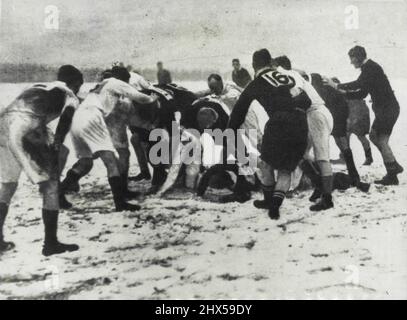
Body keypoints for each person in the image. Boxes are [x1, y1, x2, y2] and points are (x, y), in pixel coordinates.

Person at [0, 65, 83, 256]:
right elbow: (65, 120)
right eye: (78, 85)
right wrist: (57, 144)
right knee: (51, 186)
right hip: (27, 127)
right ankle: (51, 244)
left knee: (8, 185)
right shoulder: (70, 94)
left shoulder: (38, 86)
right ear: (74, 82)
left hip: (3, 125)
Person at [228, 49, 310, 220]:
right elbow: (307, 100)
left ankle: (269, 201)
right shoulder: (287, 77)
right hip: (301, 122)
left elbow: (239, 110)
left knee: (266, 164)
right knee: (285, 170)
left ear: (253, 66)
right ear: (270, 62)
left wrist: (230, 131)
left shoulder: (256, 82)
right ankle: (274, 204)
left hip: (279, 122)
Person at [60, 74, 158, 212]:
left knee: (85, 163)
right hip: (92, 116)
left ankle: (58, 192)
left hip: (78, 117)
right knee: (112, 162)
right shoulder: (115, 82)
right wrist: (152, 99)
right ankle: (120, 202)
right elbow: (139, 96)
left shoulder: (102, 85)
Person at [324, 46, 403, 185]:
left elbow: (358, 84)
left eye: (352, 58)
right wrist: (345, 94)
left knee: (381, 140)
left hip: (387, 109)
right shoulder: (369, 69)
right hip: (387, 109)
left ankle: (392, 173)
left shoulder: (370, 68)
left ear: (359, 56)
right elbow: (362, 93)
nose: (351, 62)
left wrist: (336, 86)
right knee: (374, 137)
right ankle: (393, 165)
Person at [274, 57, 336, 211]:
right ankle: (319, 184)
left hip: (316, 114)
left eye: (274, 67)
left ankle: (327, 199)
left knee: (322, 157)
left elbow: (303, 101)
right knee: (299, 152)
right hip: (313, 114)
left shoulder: (285, 75)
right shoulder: (292, 74)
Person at [311, 73, 370, 193]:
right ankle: (355, 177)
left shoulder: (318, 89)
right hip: (339, 115)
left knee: (329, 148)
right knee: (344, 147)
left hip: (334, 116)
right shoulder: (327, 88)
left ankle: (323, 180)